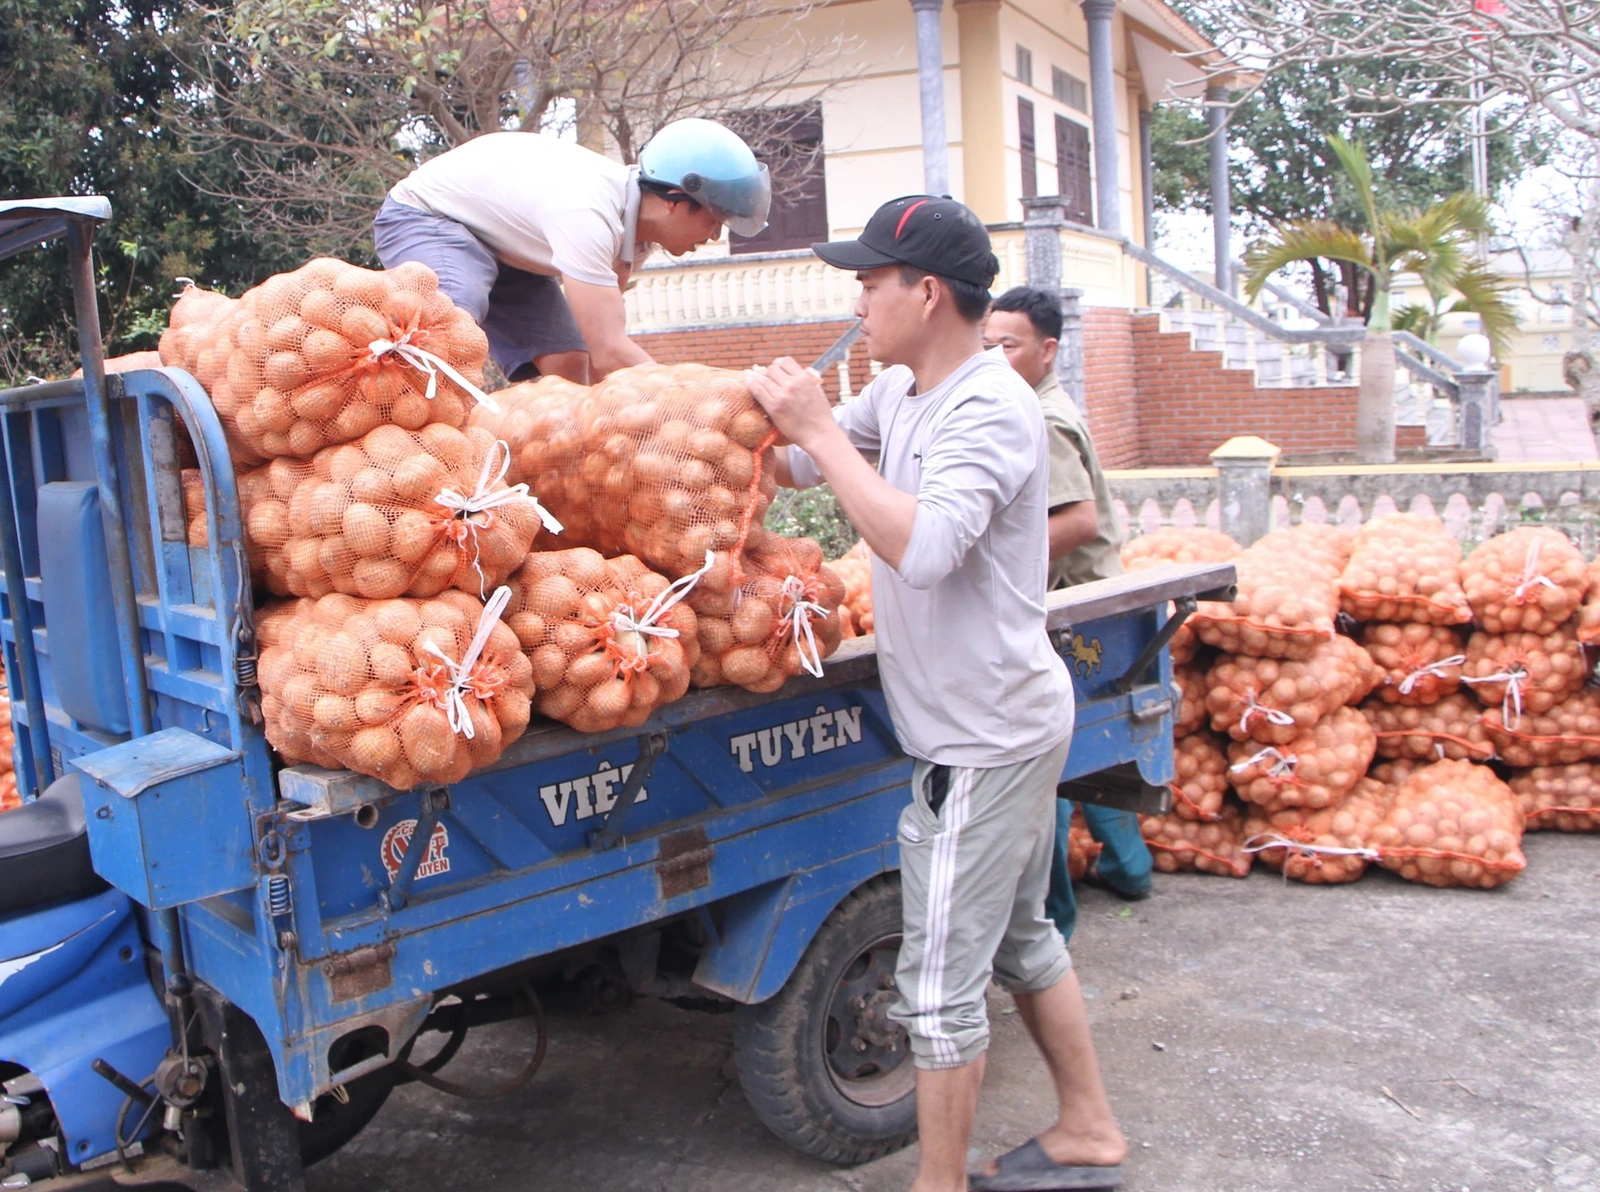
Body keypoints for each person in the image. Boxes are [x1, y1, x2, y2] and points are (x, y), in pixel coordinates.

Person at [745, 197, 1126, 1192]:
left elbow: (918, 547)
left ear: (925, 291)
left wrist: (820, 430)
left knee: (937, 988)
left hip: (985, 738)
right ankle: (1087, 1126)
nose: (858, 299)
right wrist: (718, 415)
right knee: (1021, 936)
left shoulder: (990, 408)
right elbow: (794, 460)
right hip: (995, 721)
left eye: (871, 282)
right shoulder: (907, 390)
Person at [984, 287, 1153, 940]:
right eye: (987, 345)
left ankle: (1051, 918)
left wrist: (994, 565)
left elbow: (1076, 521)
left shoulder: (1042, 417)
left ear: (1048, 349)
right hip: (1095, 618)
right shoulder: (1039, 404)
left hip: (1076, 622)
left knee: (1044, 761)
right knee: (1082, 742)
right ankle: (1131, 871)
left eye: (1009, 345)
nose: (995, 357)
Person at [373, 118, 770, 385]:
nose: (716, 235)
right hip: (429, 218)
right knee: (450, 329)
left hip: (506, 249)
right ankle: (414, 436)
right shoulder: (589, 214)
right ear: (675, 199)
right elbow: (612, 351)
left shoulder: (636, 235)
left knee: (568, 366)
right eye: (714, 219)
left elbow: (600, 355)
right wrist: (695, 397)